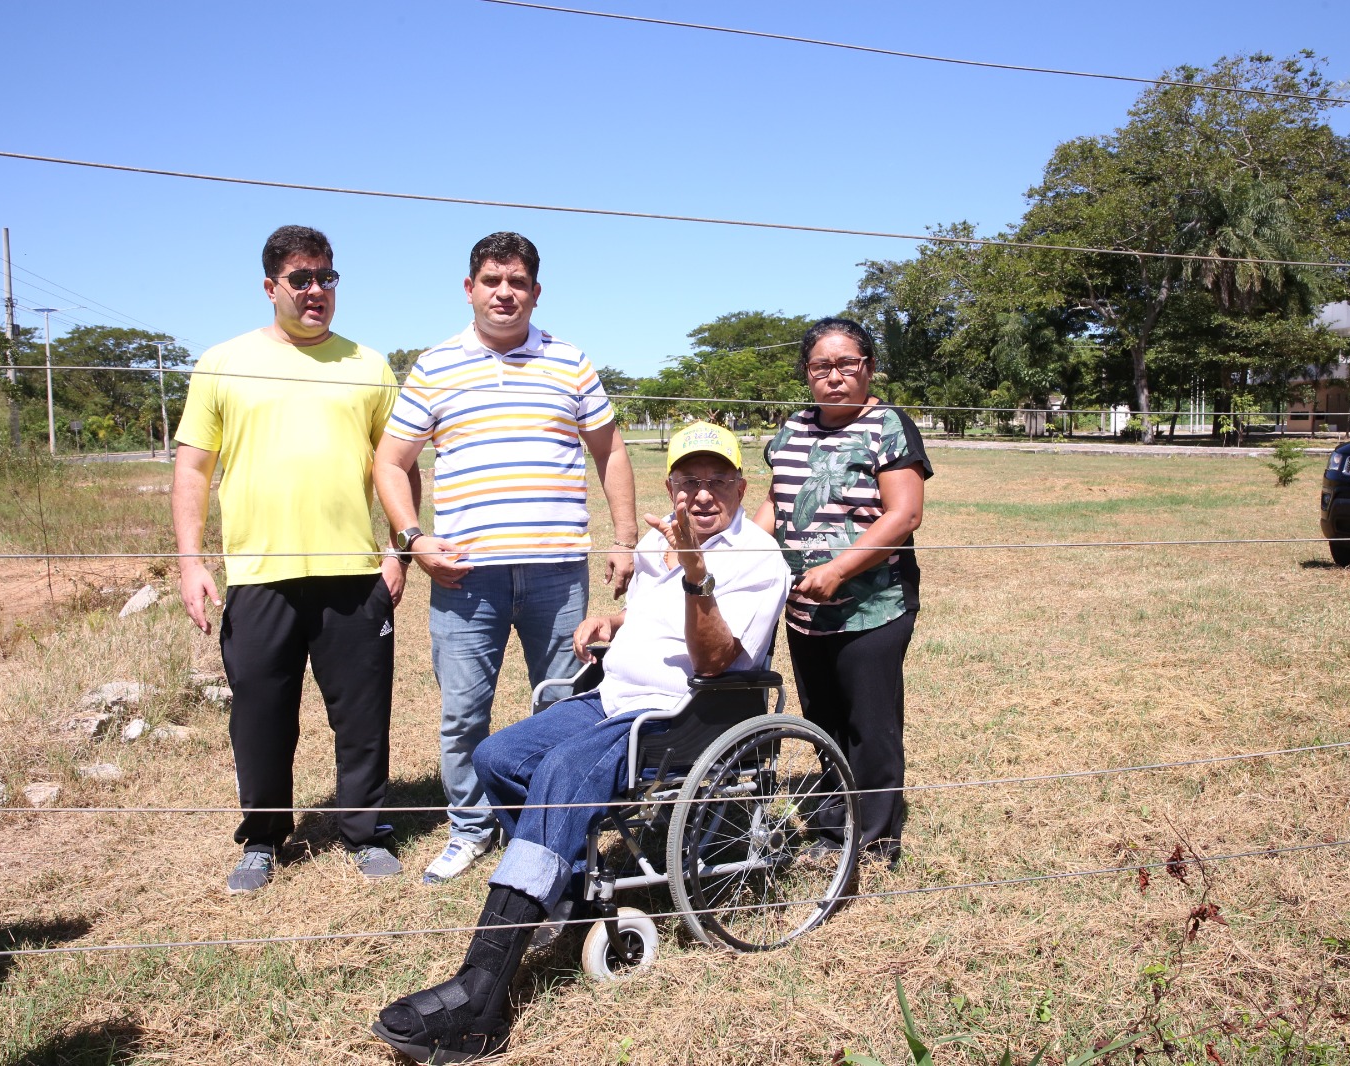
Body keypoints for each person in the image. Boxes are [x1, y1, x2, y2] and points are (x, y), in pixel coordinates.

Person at [371, 422, 789, 1062]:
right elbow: (652, 618)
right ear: (670, 485)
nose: (702, 496)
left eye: (717, 482)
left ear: (741, 486)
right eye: (688, 482)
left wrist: (696, 575)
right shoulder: (663, 540)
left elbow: (715, 661)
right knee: (498, 756)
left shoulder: (757, 558)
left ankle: (482, 991)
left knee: (564, 772)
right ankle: (561, 887)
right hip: (613, 692)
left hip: (681, 714)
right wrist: (614, 620)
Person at [374, 231, 638, 885]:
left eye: (517, 282)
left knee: (564, 705)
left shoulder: (570, 361)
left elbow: (611, 450)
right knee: (464, 710)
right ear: (470, 289)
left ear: (535, 291)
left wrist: (625, 536)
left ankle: (548, 831)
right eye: (492, 280)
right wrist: (414, 539)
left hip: (557, 571)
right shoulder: (435, 366)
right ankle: (469, 829)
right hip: (465, 574)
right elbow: (390, 460)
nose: (504, 292)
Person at [171, 225, 409, 894]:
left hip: (354, 575)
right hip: (258, 574)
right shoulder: (222, 362)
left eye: (326, 278)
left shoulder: (369, 365)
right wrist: (192, 563)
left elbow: (395, 466)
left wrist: (399, 552)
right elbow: (193, 468)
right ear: (270, 286)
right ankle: (263, 838)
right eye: (301, 279)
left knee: (362, 714)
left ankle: (367, 831)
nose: (315, 291)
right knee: (260, 713)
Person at [755, 317, 931, 866]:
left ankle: (877, 839)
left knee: (870, 722)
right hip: (804, 607)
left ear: (868, 367)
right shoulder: (791, 429)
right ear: (807, 374)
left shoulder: (887, 425)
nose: (834, 377)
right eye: (821, 367)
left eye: (846, 364)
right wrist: (739, 551)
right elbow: (777, 503)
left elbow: (904, 515)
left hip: (873, 604)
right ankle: (835, 827)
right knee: (822, 716)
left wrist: (838, 570)